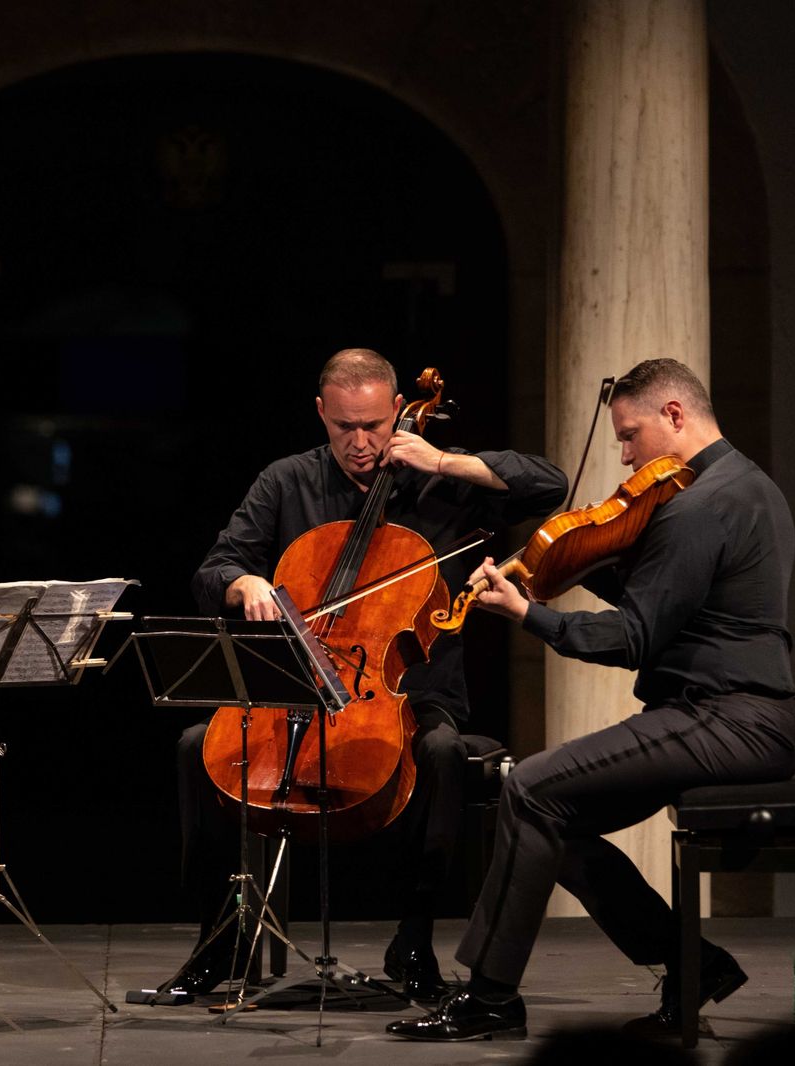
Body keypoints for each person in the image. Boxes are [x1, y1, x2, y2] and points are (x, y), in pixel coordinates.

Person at [387, 358, 795, 1041]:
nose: (626, 455)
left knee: (531, 786)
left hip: (728, 719)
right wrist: (581, 560)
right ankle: (694, 965)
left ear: (674, 414)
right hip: (732, 717)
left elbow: (633, 637)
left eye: (630, 435)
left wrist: (528, 614)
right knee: (556, 818)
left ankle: (490, 998)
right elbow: (669, 602)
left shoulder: (700, 506)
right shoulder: (750, 486)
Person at [167, 349, 567, 1000]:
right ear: (321, 413)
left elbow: (549, 485)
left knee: (442, 751)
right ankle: (222, 940)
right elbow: (214, 569)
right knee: (195, 748)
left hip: (410, 693)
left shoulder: (442, 479)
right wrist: (244, 583)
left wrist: (443, 461)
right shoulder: (286, 482)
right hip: (297, 688)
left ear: (399, 413)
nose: (360, 443)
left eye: (375, 426)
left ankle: (414, 940)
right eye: (344, 426)